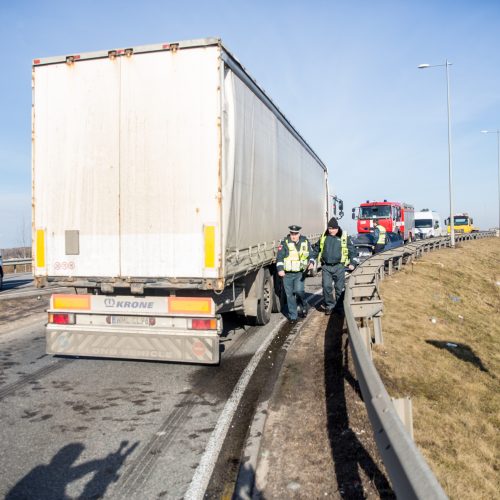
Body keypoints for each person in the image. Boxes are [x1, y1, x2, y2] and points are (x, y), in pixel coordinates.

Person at [313, 217, 356, 315]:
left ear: (337, 228)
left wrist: (352, 263)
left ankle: (339, 307)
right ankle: (330, 306)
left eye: (333, 229)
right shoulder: (324, 236)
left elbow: (352, 250)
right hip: (326, 267)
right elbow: (316, 249)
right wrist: (311, 260)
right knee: (326, 286)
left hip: (339, 266)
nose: (331, 231)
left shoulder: (344, 236)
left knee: (339, 288)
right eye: (329, 228)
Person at [276, 225, 315, 323]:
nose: (293, 236)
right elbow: (279, 257)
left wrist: (311, 262)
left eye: (295, 234)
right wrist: (280, 269)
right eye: (292, 233)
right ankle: (293, 316)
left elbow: (311, 254)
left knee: (299, 291)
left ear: (299, 233)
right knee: (290, 296)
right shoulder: (284, 243)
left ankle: (303, 304)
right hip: (287, 274)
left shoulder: (305, 242)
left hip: (299, 273)